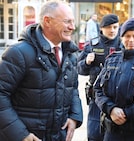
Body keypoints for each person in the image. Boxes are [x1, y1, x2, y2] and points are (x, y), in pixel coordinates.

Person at [0, 1, 83, 141]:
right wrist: (21, 134)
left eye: (73, 22)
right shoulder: (18, 53)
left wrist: (74, 116)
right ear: (47, 21)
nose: (72, 27)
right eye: (67, 21)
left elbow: (73, 89)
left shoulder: (70, 54)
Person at [94, 18, 134, 141]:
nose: (131, 40)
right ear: (121, 38)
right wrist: (111, 109)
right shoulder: (111, 60)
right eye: (127, 36)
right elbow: (97, 88)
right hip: (111, 131)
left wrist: (127, 113)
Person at [77, 13, 120, 141]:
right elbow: (79, 69)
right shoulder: (92, 45)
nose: (112, 30)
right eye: (109, 27)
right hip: (96, 100)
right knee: (94, 134)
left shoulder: (123, 45)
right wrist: (86, 62)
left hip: (116, 99)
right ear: (102, 28)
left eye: (115, 27)